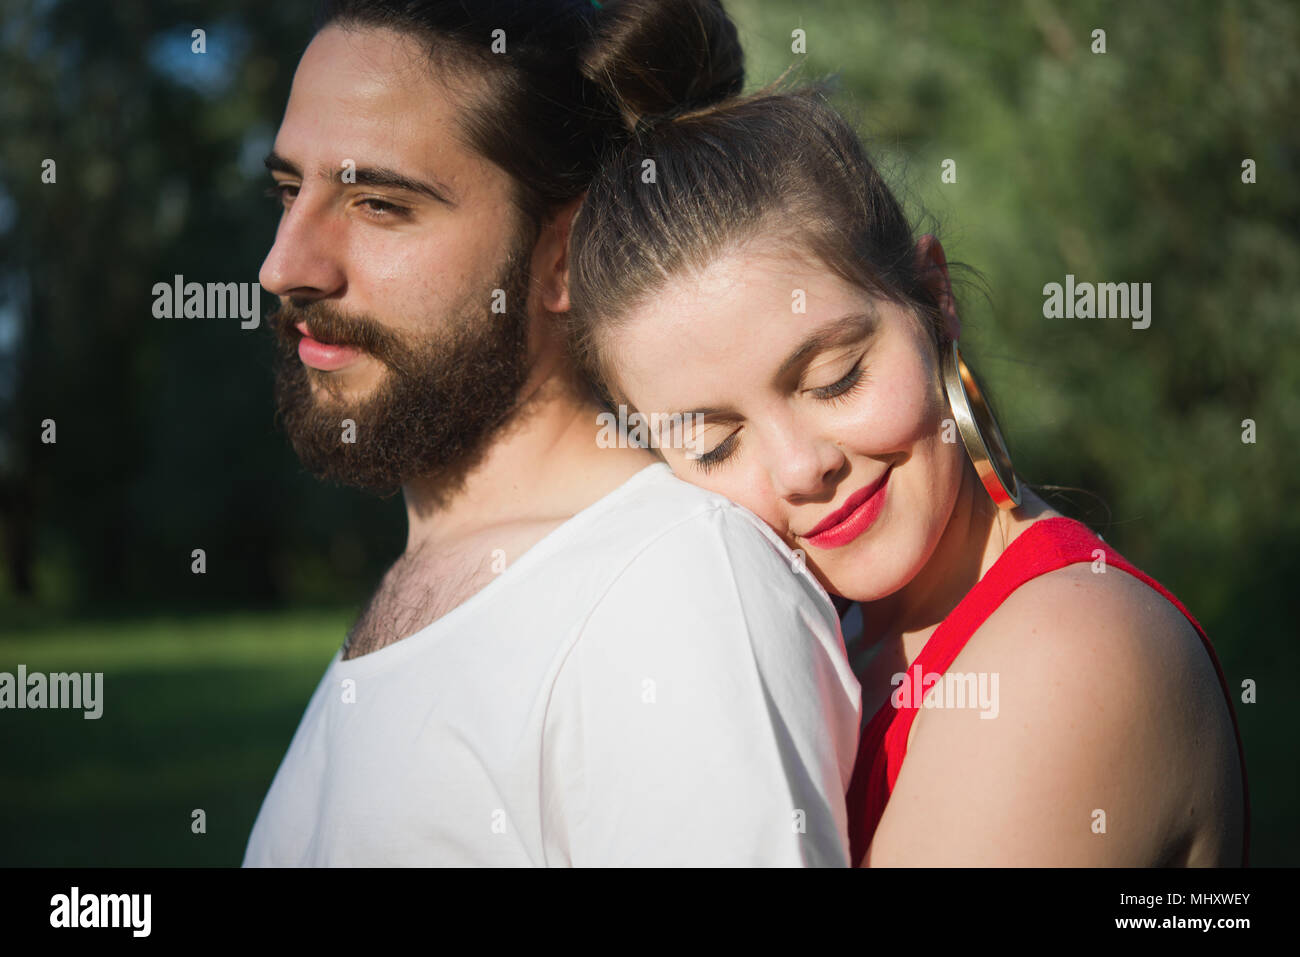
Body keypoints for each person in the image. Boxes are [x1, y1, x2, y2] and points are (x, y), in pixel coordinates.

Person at [242, 0, 862, 866]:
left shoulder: (677, 586)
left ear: (565, 254)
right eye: (288, 190)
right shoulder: (427, 579)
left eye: (378, 203)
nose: (284, 266)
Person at [565, 84, 1250, 866]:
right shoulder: (831, 644)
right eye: (715, 444)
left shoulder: (1069, 655)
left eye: (836, 378)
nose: (801, 468)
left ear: (933, 297)